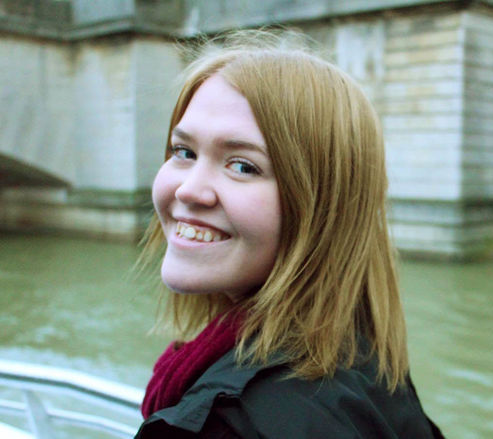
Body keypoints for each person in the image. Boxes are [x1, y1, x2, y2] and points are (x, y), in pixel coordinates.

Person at [134, 31, 444, 438]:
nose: (189, 189)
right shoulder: (370, 362)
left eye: (243, 166)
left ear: (323, 207)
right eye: (183, 152)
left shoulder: (229, 425)